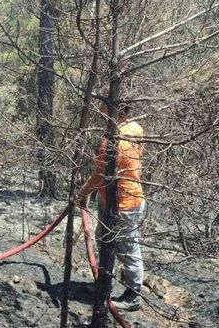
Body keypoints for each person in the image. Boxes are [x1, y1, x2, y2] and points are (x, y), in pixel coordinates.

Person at [75, 99, 146, 312]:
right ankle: (104, 284)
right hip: (115, 200)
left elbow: (99, 175)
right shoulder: (135, 128)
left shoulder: (115, 141)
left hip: (125, 204)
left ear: (116, 109)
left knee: (126, 248)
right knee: (105, 240)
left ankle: (133, 295)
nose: (100, 110)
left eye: (104, 106)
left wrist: (82, 193)